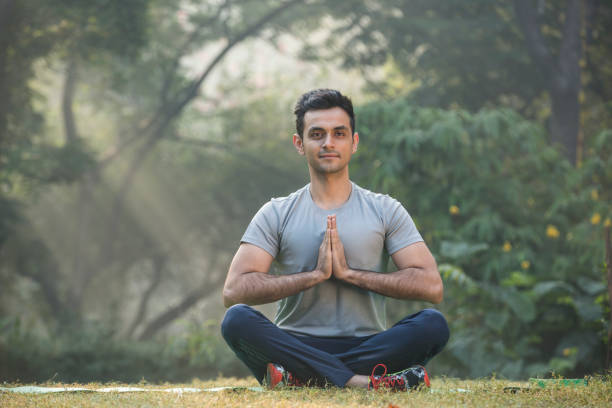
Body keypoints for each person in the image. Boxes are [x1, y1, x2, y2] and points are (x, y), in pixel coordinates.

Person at [221, 88, 449, 391]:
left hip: (368, 346)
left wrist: (350, 274)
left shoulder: (385, 209)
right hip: (294, 344)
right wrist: (314, 276)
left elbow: (431, 287)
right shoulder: (276, 212)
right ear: (299, 144)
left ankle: (303, 378)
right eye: (317, 134)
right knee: (236, 320)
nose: (328, 142)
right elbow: (233, 291)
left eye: (339, 133)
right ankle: (358, 382)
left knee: (432, 324)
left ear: (353, 142)